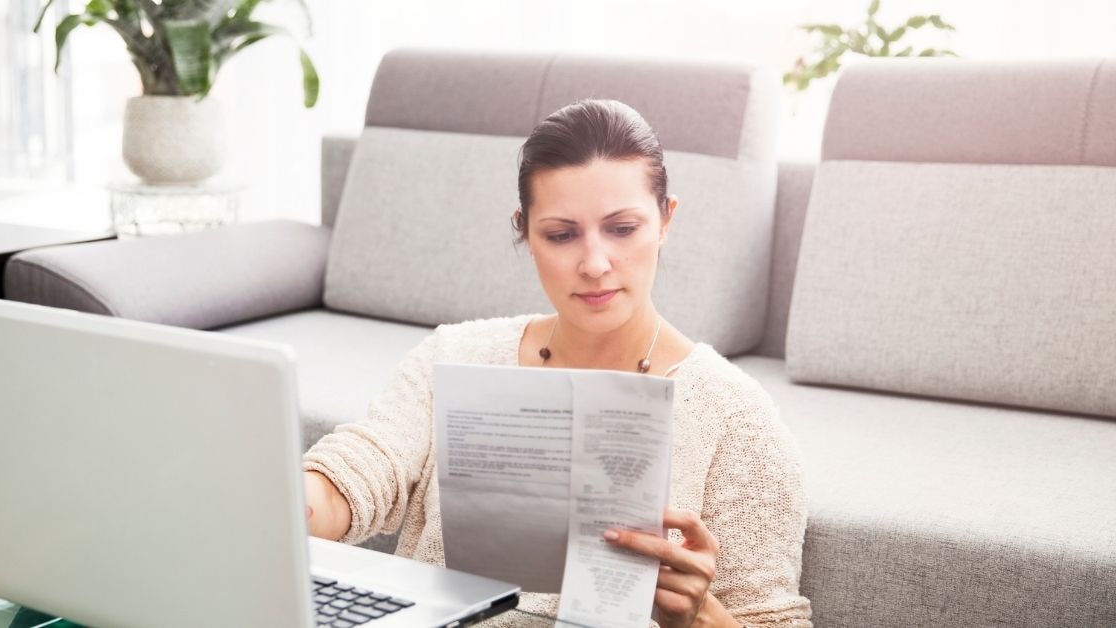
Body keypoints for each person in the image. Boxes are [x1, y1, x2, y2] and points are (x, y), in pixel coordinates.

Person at [301, 99, 812, 628]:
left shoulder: (736, 418)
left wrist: (697, 613)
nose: (593, 265)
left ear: (665, 220)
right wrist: (293, 501)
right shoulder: (454, 355)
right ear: (525, 231)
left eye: (622, 228)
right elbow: (364, 467)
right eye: (561, 235)